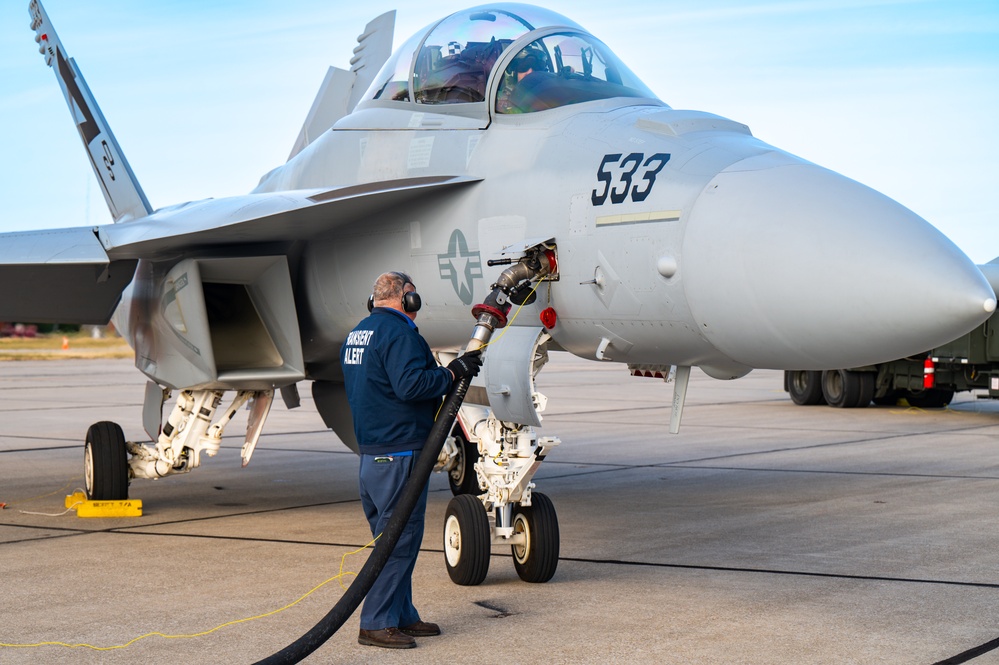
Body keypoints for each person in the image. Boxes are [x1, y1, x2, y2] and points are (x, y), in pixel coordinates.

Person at [341, 271, 483, 649]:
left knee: (393, 539)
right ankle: (376, 623)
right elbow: (411, 386)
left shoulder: (359, 333)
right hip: (399, 453)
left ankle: (401, 615)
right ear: (408, 299)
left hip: (372, 456)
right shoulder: (399, 333)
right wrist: (453, 372)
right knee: (399, 541)